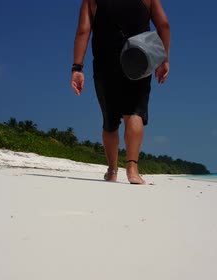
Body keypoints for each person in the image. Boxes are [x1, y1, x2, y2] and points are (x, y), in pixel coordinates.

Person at [71, 0, 170, 184]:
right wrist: (163, 59)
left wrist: (77, 67)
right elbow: (164, 24)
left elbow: (83, 31)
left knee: (110, 120)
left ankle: (112, 171)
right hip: (139, 60)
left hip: (104, 63)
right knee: (134, 112)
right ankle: (132, 169)